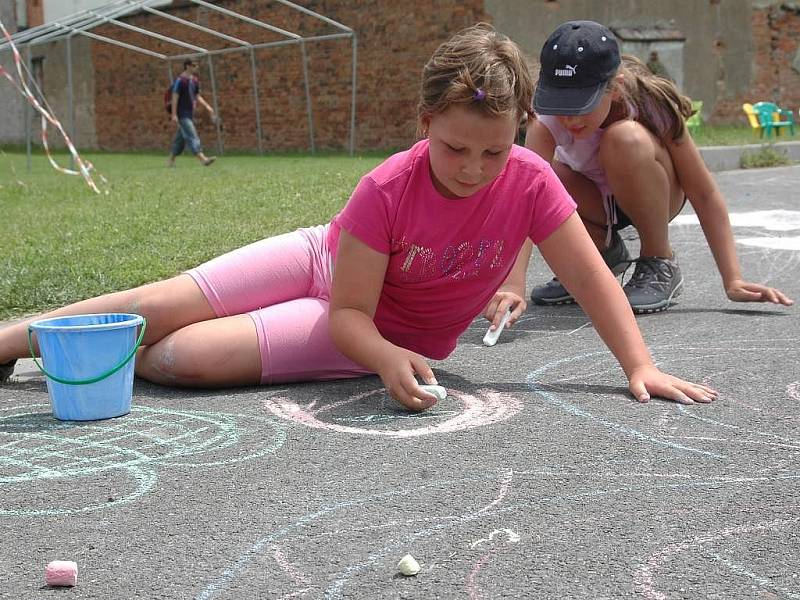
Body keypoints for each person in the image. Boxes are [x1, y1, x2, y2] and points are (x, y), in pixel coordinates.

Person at [0, 24, 717, 409]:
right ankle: (11, 343)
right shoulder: (387, 186)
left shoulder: (527, 180)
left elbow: (593, 280)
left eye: (493, 151)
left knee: (183, 356)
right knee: (156, 302)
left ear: (520, 130)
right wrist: (379, 360)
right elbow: (346, 306)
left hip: (380, 325)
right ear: (424, 120)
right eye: (455, 148)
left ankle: (88, 364)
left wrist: (640, 364)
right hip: (330, 268)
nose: (473, 168)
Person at [526, 20, 793, 313]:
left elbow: (702, 191)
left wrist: (733, 278)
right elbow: (528, 200)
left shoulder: (649, 103)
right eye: (562, 104)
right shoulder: (546, 122)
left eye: (582, 104)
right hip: (599, 206)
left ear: (616, 87)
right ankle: (599, 254)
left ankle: (658, 260)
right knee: (541, 175)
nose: (571, 118)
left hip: (657, 194)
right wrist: (511, 285)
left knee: (624, 138)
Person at [167, 59, 217, 168]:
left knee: (180, 139)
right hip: (182, 114)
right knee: (192, 135)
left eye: (197, 65)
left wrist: (207, 107)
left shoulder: (195, 81)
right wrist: (174, 114)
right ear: (187, 66)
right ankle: (203, 159)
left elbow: (197, 96)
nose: (196, 67)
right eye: (194, 65)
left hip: (189, 113)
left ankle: (171, 160)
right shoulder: (180, 81)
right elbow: (175, 97)